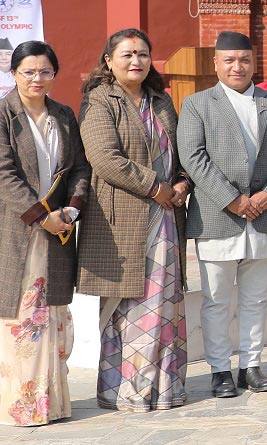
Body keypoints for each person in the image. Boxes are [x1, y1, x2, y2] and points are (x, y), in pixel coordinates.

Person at [0, 40, 88, 426]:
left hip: (57, 230)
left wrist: (73, 208)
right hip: (12, 230)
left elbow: (81, 168)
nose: (37, 78)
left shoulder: (63, 115)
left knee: (52, 317)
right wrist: (41, 215)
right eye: (28, 71)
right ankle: (12, 406)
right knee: (19, 319)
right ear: (13, 73)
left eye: (45, 71)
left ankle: (52, 403)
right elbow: (1, 175)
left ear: (54, 74)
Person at [176, 31, 267, 399]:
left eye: (244, 59)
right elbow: (193, 158)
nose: (237, 66)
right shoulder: (197, 104)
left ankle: (251, 366)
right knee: (216, 300)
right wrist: (233, 200)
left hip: (263, 214)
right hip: (217, 217)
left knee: (256, 298)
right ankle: (219, 370)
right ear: (216, 64)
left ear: (253, 62)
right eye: (229, 60)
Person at [77, 28, 190, 411]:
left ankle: (165, 388)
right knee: (129, 306)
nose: (136, 61)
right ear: (108, 60)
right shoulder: (99, 101)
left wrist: (180, 183)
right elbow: (105, 159)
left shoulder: (160, 101)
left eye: (143, 54)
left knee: (165, 303)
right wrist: (155, 187)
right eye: (126, 54)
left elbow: (181, 155)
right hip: (122, 219)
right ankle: (126, 390)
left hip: (167, 217)